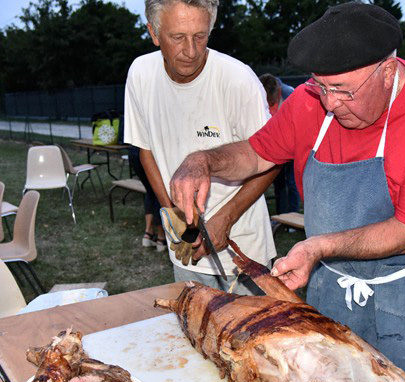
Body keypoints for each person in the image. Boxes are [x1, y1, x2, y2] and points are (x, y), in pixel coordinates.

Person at [169, 3, 405, 382]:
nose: (330, 103)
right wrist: (202, 160)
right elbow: (257, 154)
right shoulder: (311, 101)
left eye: (343, 90)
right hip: (332, 284)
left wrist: (318, 246)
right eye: (321, 87)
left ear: (388, 71)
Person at [124, 0, 278, 294]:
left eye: (200, 36)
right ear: (154, 34)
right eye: (178, 37)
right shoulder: (140, 74)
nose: (191, 51)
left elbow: (272, 158)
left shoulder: (238, 79)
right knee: (194, 336)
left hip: (243, 254)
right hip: (186, 253)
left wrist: (226, 219)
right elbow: (146, 151)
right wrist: (172, 213)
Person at [259, 73, 300, 216]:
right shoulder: (258, 93)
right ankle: (281, 215)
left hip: (292, 144)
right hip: (275, 144)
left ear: (277, 93)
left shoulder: (291, 95)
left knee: (292, 182)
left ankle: (293, 214)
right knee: (278, 182)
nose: (270, 104)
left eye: (271, 101)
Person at [128, 145, 167, 252]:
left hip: (134, 152)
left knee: (151, 191)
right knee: (159, 192)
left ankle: (148, 232)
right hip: (151, 153)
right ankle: (161, 237)